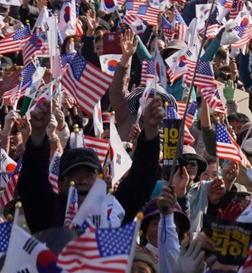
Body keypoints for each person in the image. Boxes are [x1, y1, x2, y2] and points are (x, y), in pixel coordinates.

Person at [19, 97, 164, 233]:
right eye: (74, 174)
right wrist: (38, 134)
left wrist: (151, 130)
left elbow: (141, 181)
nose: (83, 181)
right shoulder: (48, 210)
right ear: (60, 184)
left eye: (90, 174)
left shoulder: (113, 211)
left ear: (100, 181)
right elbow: (33, 181)